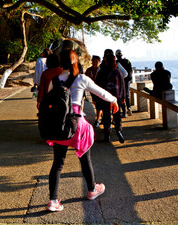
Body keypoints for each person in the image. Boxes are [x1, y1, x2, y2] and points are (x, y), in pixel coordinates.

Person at [43, 49, 118, 212]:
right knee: (85, 159)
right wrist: (114, 100)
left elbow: (48, 102)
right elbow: (102, 93)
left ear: (61, 62)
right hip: (77, 126)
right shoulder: (82, 78)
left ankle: (53, 201)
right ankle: (92, 190)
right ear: (75, 61)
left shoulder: (54, 80)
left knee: (57, 163)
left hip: (60, 126)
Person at [95, 52, 126, 143]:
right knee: (117, 115)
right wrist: (123, 97)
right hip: (117, 97)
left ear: (106, 62)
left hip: (105, 97)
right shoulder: (118, 72)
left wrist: (97, 98)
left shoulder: (101, 72)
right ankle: (118, 131)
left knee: (106, 116)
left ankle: (107, 134)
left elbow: (97, 85)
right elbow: (122, 85)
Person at [85, 55, 102, 128]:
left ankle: (97, 119)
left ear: (99, 62)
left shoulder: (101, 70)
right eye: (93, 61)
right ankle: (100, 116)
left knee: (99, 104)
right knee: (96, 104)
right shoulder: (89, 70)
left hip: (100, 90)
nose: (94, 63)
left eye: (96, 62)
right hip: (92, 90)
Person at [115, 49, 133, 117]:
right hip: (126, 81)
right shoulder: (127, 61)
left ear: (116, 56)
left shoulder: (116, 63)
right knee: (127, 95)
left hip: (119, 81)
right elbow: (130, 71)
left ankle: (124, 112)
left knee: (121, 96)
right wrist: (128, 79)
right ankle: (129, 107)